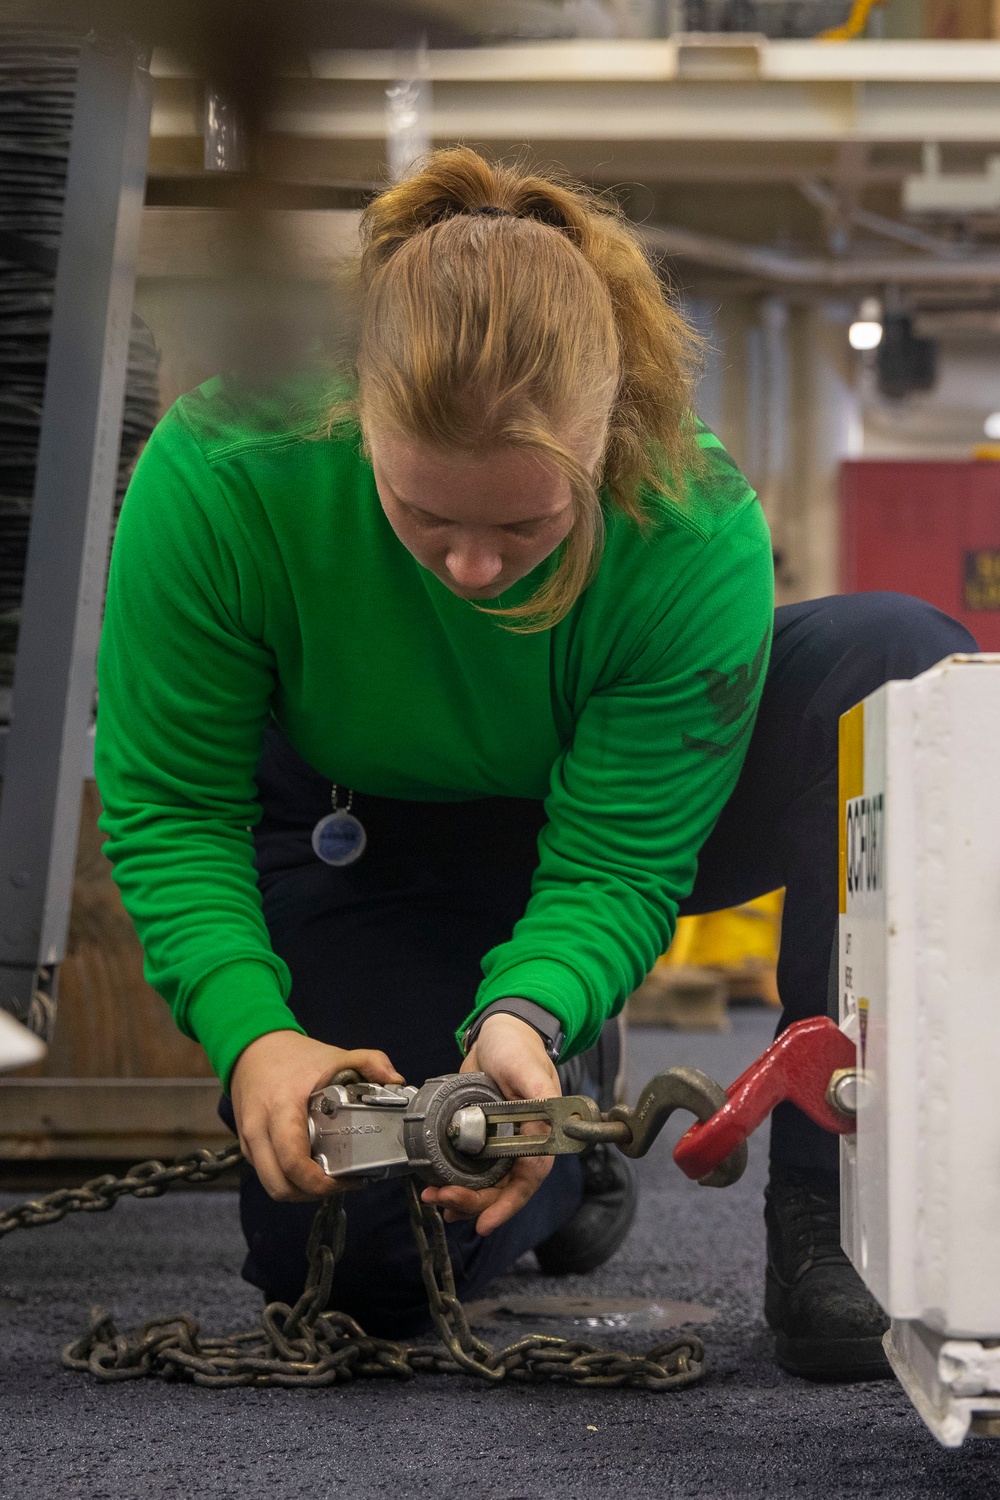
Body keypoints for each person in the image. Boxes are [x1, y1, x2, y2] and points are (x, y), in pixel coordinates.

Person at [95, 148, 975, 1378]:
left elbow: (619, 855)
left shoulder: (690, 514)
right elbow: (176, 806)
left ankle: (829, 1211)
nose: (469, 568)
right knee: (360, 1267)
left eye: (525, 525)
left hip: (606, 819)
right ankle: (569, 1118)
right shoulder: (223, 472)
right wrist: (256, 1038)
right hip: (364, 838)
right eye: (423, 516)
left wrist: (527, 1001)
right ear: (358, 409)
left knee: (898, 661)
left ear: (603, 442)